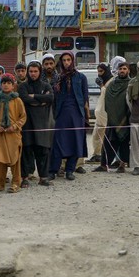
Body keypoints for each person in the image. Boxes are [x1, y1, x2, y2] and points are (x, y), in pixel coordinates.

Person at [48, 51, 88, 181]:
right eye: (64, 60)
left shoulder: (81, 77)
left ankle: (70, 170)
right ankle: (53, 170)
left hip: (77, 114)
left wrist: (85, 116)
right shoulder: (58, 78)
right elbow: (54, 98)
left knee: (75, 141)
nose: (66, 63)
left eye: (68, 60)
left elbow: (85, 98)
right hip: (62, 113)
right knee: (59, 141)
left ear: (73, 61)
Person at [0, 73, 27, 193]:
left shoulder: (17, 100)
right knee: (0, 159)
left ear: (13, 85)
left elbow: (23, 117)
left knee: (15, 159)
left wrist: (15, 126)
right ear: (1, 85)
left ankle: (16, 183)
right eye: (4, 83)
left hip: (13, 134)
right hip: (0, 134)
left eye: (9, 83)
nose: (6, 85)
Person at [18, 60, 54, 186]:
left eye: (36, 71)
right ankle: (25, 177)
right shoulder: (23, 86)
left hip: (42, 123)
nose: (33, 74)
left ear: (40, 72)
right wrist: (40, 100)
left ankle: (43, 177)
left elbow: (50, 98)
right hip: (27, 123)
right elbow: (24, 98)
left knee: (42, 150)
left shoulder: (46, 85)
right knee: (26, 150)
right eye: (31, 71)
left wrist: (34, 97)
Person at [101, 58, 131, 173]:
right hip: (112, 118)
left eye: (124, 69)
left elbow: (131, 101)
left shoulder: (131, 83)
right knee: (108, 142)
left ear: (128, 70)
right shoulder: (112, 84)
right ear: (117, 70)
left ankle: (123, 164)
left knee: (124, 142)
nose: (122, 71)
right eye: (120, 69)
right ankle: (104, 164)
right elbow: (108, 99)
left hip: (125, 118)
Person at [88, 61, 114, 165]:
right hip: (100, 113)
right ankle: (97, 154)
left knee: (104, 136)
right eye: (98, 71)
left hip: (106, 113)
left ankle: (103, 156)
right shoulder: (104, 81)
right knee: (96, 135)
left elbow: (109, 95)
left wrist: (102, 86)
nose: (99, 74)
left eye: (101, 71)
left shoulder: (112, 81)